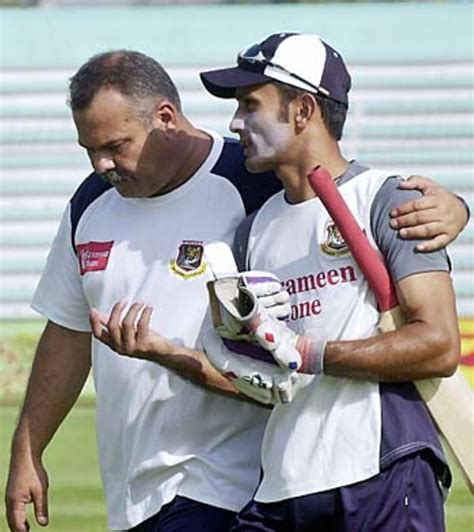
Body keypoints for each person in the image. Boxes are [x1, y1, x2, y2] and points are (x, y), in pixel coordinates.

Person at [4, 49, 468, 532]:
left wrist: (454, 207)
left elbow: (352, 193)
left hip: (244, 481)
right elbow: (71, 333)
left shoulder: (253, 182)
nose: (102, 164)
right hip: (230, 488)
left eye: (116, 145)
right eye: (89, 150)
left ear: (164, 116)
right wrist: (27, 450)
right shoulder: (101, 204)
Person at [199, 32, 465, 531]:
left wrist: (308, 352)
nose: (236, 123)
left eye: (250, 104)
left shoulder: (388, 200)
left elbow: (438, 344)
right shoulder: (252, 228)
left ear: (302, 110)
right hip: (282, 482)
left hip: (382, 467)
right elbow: (258, 362)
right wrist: (235, 353)